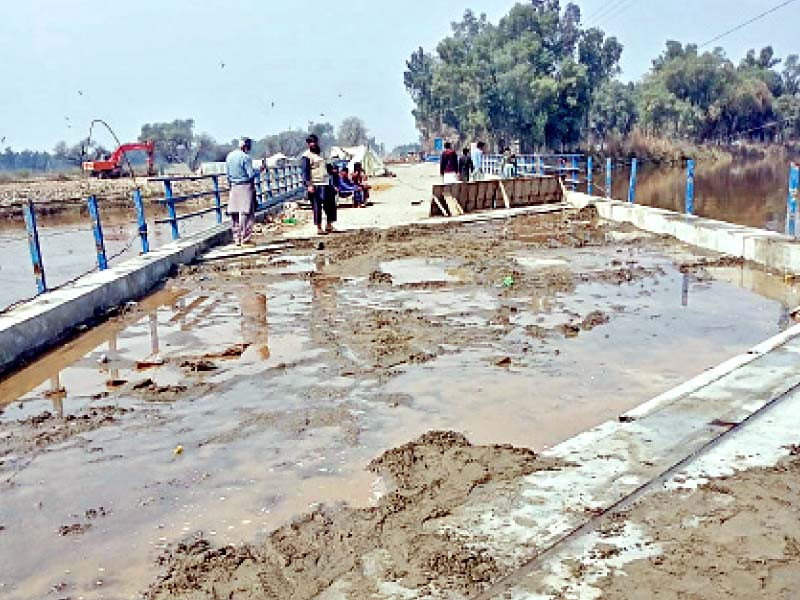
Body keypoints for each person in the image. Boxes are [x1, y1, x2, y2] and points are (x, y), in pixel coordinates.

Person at [301, 133, 337, 235]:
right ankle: (319, 228)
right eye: (311, 142)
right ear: (308, 144)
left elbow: (328, 167)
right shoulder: (306, 156)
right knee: (317, 207)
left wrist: (334, 176)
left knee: (330, 205)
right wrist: (309, 185)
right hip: (315, 184)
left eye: (314, 142)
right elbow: (305, 172)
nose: (313, 144)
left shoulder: (322, 155)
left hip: (326, 183)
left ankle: (329, 225)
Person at [225, 137, 258, 246]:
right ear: (245, 146)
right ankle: (245, 238)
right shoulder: (245, 157)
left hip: (234, 186)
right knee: (246, 213)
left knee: (234, 213)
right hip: (245, 186)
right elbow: (251, 175)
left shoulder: (229, 156)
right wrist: (260, 171)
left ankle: (236, 238)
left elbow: (228, 175)